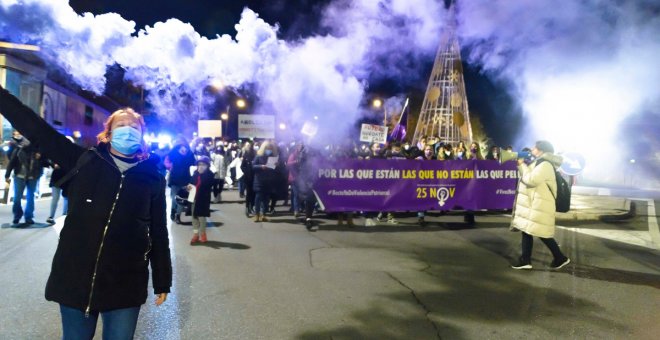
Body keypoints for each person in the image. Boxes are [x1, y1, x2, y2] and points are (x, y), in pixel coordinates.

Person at [0, 85, 172, 339]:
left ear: (142, 135)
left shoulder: (152, 178)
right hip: (75, 278)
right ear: (109, 133)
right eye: (122, 125)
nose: (128, 130)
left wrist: (162, 279)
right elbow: (35, 128)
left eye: (134, 126)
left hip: (125, 282)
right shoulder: (84, 162)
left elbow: (158, 232)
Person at [511, 140, 571, 270]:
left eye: (535, 147)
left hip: (540, 205)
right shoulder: (539, 162)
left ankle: (560, 258)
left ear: (541, 150)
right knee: (528, 230)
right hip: (535, 203)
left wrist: (521, 165)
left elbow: (531, 180)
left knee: (542, 233)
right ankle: (526, 260)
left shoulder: (545, 165)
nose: (532, 149)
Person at [4, 131, 46, 225]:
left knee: (30, 197)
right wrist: (7, 175)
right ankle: (17, 215)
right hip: (19, 176)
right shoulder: (19, 150)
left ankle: (29, 217)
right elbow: (11, 162)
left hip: (32, 176)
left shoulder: (38, 151)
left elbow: (44, 160)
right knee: (17, 198)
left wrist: (40, 155)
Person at [166, 138, 196, 223]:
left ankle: (177, 215)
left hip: (185, 179)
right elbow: (167, 162)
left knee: (181, 197)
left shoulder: (189, 154)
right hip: (175, 179)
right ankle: (173, 211)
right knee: (175, 197)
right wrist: (170, 166)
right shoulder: (173, 153)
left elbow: (194, 163)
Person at [188, 156, 215, 244]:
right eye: (199, 165)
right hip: (193, 199)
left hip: (202, 200)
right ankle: (195, 235)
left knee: (201, 218)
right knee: (194, 217)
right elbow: (191, 183)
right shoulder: (195, 174)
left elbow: (208, 184)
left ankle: (203, 234)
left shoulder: (209, 175)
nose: (201, 166)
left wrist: (202, 175)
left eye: (203, 165)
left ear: (207, 166)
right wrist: (188, 187)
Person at [252, 141, 279, 222]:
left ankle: (263, 215)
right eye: (267, 148)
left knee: (266, 199)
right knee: (258, 198)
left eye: (270, 148)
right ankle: (257, 215)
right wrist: (261, 166)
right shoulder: (258, 156)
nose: (269, 150)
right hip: (259, 181)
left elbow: (275, 170)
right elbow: (253, 166)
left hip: (269, 181)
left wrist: (277, 165)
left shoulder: (273, 156)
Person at [240, 142, 257, 217]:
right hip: (247, 177)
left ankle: (251, 207)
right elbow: (242, 166)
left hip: (254, 177)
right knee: (249, 193)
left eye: (250, 146)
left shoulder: (255, 155)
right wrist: (246, 171)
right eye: (248, 146)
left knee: (253, 193)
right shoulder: (245, 155)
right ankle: (247, 207)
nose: (250, 147)